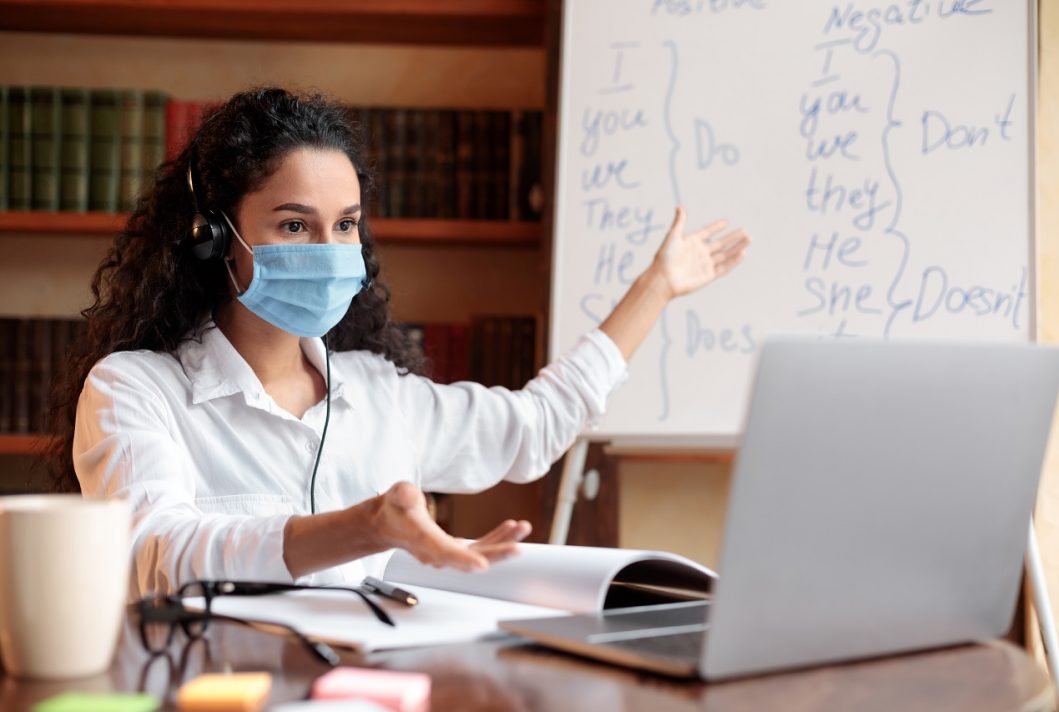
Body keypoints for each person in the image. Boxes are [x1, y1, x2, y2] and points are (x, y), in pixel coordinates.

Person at [45, 87, 750, 599]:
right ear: (211, 240)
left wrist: (656, 288)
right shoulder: (134, 389)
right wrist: (366, 529)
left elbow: (533, 429)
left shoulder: (379, 393)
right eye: (295, 226)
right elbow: (156, 554)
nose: (328, 249)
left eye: (345, 224)